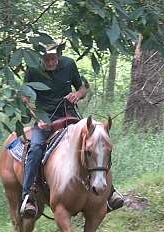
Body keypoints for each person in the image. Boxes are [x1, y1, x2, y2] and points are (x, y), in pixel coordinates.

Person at [20, 41, 124, 217]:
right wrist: (36, 117)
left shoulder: (68, 64)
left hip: (69, 115)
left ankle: (110, 192)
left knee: (96, 142)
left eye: (53, 58)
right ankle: (28, 196)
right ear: (41, 58)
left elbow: (83, 87)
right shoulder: (32, 70)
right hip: (44, 118)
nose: (51, 62)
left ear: (58, 56)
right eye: (47, 59)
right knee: (36, 148)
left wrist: (77, 95)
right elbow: (24, 98)